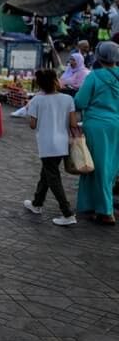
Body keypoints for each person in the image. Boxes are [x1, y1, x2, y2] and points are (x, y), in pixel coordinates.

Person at [21, 69, 78, 226]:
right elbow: (73, 124)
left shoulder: (37, 101)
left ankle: (67, 213)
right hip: (63, 143)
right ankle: (37, 203)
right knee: (47, 173)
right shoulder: (68, 99)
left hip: (47, 144)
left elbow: (33, 125)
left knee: (52, 177)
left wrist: (29, 112)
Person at [74, 41, 119, 224]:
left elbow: (80, 102)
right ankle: (89, 206)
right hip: (116, 126)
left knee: (95, 167)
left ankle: (105, 210)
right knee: (109, 168)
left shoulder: (94, 76)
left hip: (96, 126)